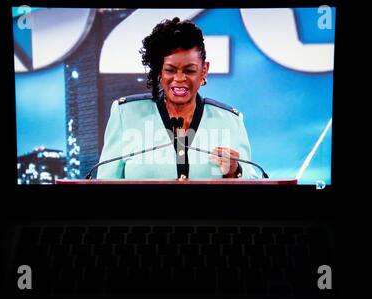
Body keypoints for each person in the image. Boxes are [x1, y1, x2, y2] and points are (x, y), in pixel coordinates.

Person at [96, 17, 258, 179]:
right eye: (170, 70)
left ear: (204, 70)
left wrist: (235, 171)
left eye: (189, 70)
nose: (179, 79)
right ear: (159, 71)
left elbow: (252, 181)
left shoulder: (230, 121)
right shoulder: (126, 114)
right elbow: (105, 181)